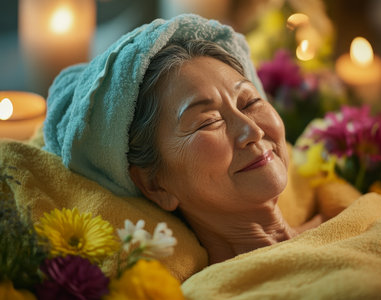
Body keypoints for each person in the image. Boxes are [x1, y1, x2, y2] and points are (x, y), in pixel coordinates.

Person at [43, 14, 323, 265]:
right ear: (155, 185)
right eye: (209, 121)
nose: (253, 131)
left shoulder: (351, 216)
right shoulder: (221, 292)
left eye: (249, 102)